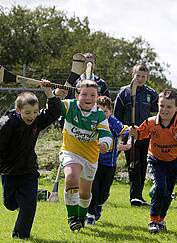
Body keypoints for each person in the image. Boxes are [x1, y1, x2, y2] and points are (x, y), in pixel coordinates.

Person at [0, 80, 60, 239]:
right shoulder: (7, 123)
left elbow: (54, 112)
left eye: (35, 112)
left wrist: (48, 92)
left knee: (28, 206)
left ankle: (20, 235)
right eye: (27, 112)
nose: (32, 116)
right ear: (18, 110)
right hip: (9, 171)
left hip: (28, 170)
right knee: (10, 204)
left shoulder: (36, 120)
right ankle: (29, 197)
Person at [129, 89, 177, 233]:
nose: (165, 110)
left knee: (168, 193)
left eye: (169, 107)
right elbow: (139, 134)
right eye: (162, 106)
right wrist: (134, 132)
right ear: (157, 105)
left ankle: (161, 220)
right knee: (160, 188)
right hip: (155, 160)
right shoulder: (151, 122)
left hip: (173, 162)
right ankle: (153, 220)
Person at [53, 80, 112, 231]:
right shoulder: (69, 106)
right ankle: (72, 218)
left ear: (97, 97)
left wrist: (105, 144)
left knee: (85, 194)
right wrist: (54, 94)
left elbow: (107, 135)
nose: (88, 97)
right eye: (84, 94)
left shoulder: (99, 115)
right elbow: (53, 107)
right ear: (77, 94)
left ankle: (81, 217)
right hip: (70, 152)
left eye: (93, 95)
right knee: (71, 178)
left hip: (90, 158)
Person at [114, 63, 159, 206]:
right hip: (129, 134)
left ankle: (138, 196)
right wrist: (121, 134)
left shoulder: (150, 93)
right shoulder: (124, 92)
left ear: (147, 77)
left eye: (143, 76)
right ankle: (135, 197)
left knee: (143, 165)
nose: (140, 79)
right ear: (132, 75)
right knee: (134, 164)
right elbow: (117, 115)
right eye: (137, 75)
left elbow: (159, 110)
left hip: (145, 134)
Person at [86, 96, 131, 225]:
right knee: (93, 190)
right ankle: (90, 215)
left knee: (103, 193)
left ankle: (99, 206)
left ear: (110, 111)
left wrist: (127, 143)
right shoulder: (92, 120)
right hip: (93, 161)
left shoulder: (112, 122)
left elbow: (126, 132)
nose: (102, 114)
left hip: (109, 164)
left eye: (105, 111)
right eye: (99, 110)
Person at [55, 52, 110, 128]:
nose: (89, 65)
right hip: (74, 119)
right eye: (86, 63)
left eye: (91, 63)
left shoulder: (101, 83)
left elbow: (106, 103)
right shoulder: (74, 81)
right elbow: (66, 99)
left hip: (94, 121)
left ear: (95, 65)